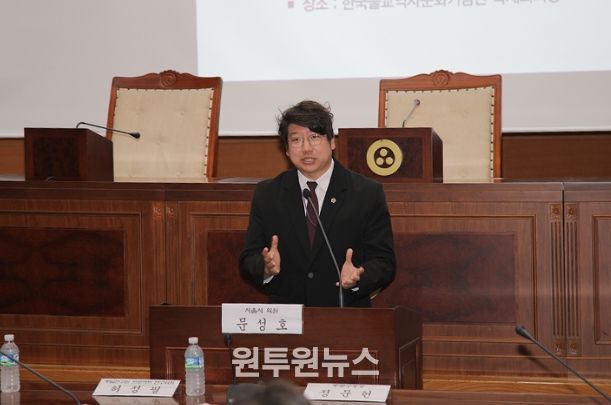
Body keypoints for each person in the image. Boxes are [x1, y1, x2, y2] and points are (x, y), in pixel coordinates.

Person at [239, 100, 395, 307]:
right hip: (288, 316)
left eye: (314, 137)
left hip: (345, 313)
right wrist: (265, 268)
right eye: (296, 140)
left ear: (331, 142)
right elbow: (248, 258)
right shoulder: (268, 194)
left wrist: (359, 277)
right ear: (286, 149)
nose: (306, 148)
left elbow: (384, 262)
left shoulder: (366, 193)